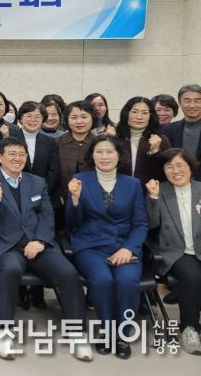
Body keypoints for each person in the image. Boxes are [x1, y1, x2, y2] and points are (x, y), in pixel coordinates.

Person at [0, 138, 91, 361]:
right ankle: (5, 334)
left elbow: (47, 215)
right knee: (9, 271)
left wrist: (40, 241)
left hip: (39, 244)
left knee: (68, 273)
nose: (18, 158)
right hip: (7, 246)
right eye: (12, 154)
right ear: (0, 157)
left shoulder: (37, 182)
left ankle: (78, 335)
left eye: (22, 154)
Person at [66, 135, 148, 359]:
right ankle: (107, 331)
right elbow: (72, 222)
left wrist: (129, 248)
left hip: (124, 246)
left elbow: (141, 223)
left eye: (109, 152)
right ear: (91, 156)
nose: (104, 156)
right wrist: (75, 200)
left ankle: (123, 334)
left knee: (127, 281)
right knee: (102, 281)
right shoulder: (80, 180)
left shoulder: (132, 184)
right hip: (90, 245)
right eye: (99, 151)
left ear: (119, 155)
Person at [146, 148, 201, 354]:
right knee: (193, 277)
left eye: (180, 165)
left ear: (190, 167)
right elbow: (151, 225)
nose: (175, 171)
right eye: (169, 166)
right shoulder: (160, 190)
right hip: (177, 251)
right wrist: (153, 198)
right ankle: (189, 327)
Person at [15, 101, 61, 310]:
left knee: (39, 241)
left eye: (37, 117)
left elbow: (54, 170)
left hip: (42, 199)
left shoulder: (49, 142)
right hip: (15, 198)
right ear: (20, 118)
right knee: (20, 242)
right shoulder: (11, 140)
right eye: (29, 116)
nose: (33, 120)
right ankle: (19, 292)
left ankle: (37, 293)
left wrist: (39, 193)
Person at [115, 96, 171, 188]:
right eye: (134, 112)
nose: (139, 117)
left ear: (150, 116)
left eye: (144, 113)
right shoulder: (116, 138)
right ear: (126, 113)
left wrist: (155, 152)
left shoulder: (161, 140)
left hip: (149, 191)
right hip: (119, 190)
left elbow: (165, 172)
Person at [56, 101, 97, 206]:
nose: (79, 121)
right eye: (74, 117)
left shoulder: (100, 143)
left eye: (84, 117)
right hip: (63, 201)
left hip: (95, 201)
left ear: (92, 118)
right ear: (67, 119)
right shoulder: (56, 143)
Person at [162, 84, 201, 180]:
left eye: (197, 101)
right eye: (187, 101)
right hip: (176, 181)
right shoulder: (169, 129)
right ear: (180, 103)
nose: (192, 105)